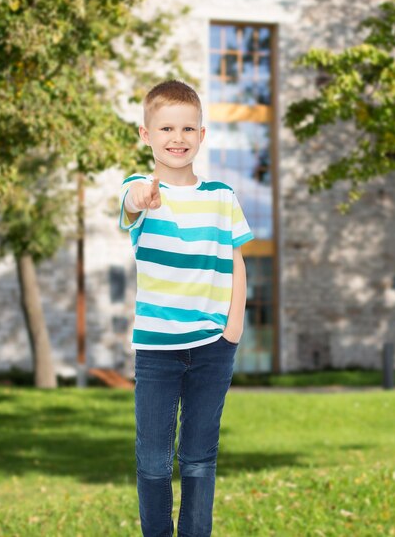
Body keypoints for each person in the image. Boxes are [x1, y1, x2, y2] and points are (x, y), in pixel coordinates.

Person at [118, 79, 253, 536]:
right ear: (146, 134)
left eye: (187, 129)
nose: (177, 138)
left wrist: (232, 328)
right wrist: (141, 200)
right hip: (157, 351)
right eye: (167, 128)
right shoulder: (140, 188)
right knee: (154, 459)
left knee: (199, 457)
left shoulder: (222, 196)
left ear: (201, 135)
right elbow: (132, 204)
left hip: (214, 347)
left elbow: (236, 262)